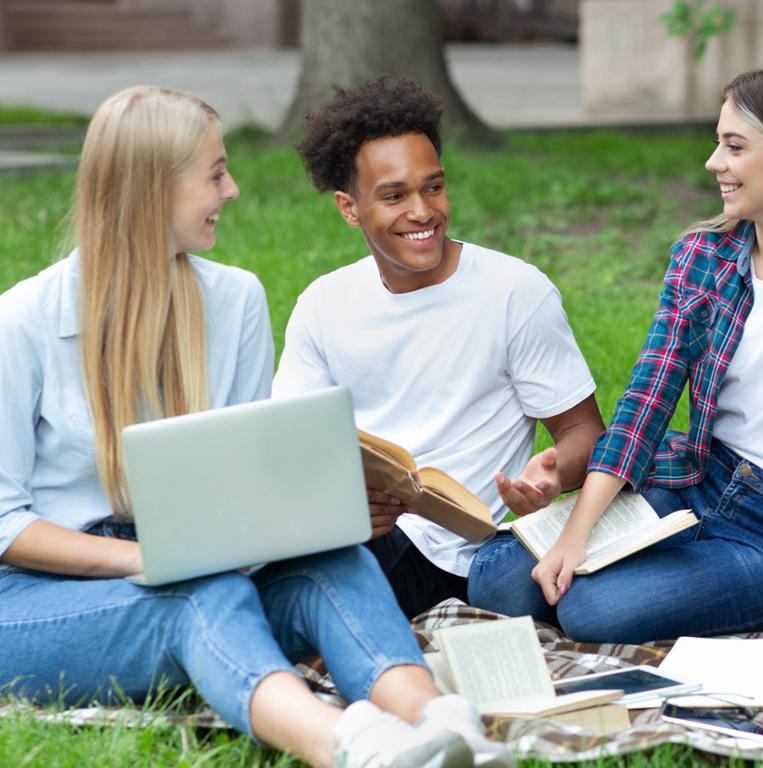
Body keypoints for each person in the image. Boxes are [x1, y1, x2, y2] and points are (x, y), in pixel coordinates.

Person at [0, 86, 510, 768]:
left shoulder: (234, 300)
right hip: (40, 602)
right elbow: (4, 524)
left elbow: (238, 487)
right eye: (214, 173)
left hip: (195, 565)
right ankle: (348, 748)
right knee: (195, 592)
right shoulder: (22, 323)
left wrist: (310, 519)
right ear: (153, 188)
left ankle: (441, 723)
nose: (233, 189)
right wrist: (145, 560)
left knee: (337, 562)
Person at [468, 64, 763, 643]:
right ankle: (645, 563)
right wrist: (576, 532)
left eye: (734, 147)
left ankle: (682, 580)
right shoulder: (702, 255)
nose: (714, 163)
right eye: (718, 144)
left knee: (593, 612)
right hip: (694, 479)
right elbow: (645, 401)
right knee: (495, 580)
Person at [273, 76, 604, 619]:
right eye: (394, 195)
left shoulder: (514, 291)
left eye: (433, 187)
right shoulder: (322, 305)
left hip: (477, 550)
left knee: (301, 605)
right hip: (368, 533)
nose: (423, 211)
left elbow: (583, 431)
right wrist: (343, 504)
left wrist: (551, 474)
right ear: (349, 208)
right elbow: (293, 447)